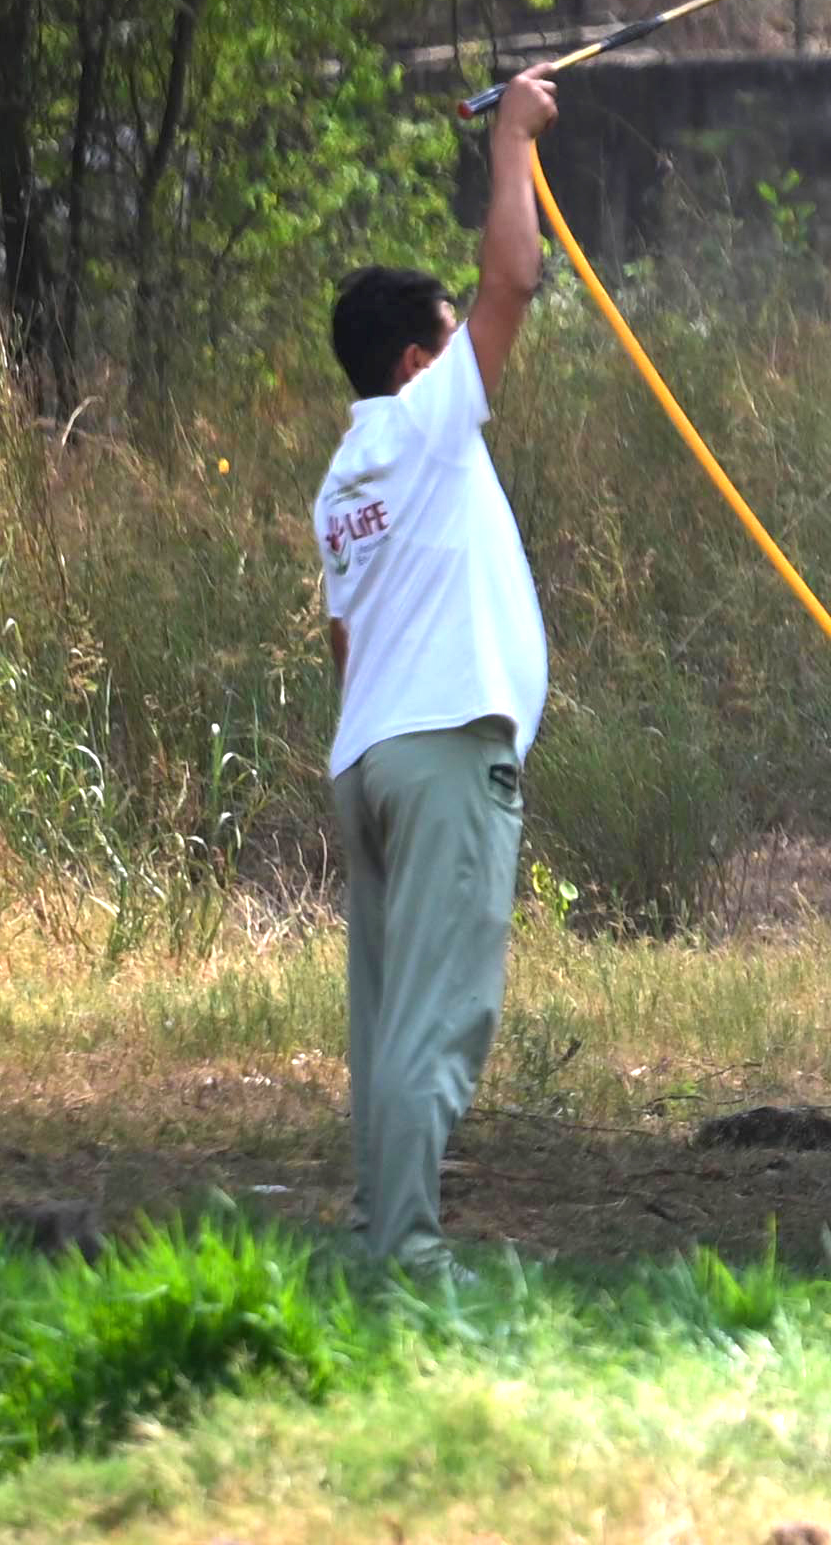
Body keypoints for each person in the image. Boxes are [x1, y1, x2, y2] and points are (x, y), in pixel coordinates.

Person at [313, 63, 561, 1275]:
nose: (475, 350)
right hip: (447, 749)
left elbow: (344, 642)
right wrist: (511, 135)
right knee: (439, 1018)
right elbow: (514, 274)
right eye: (453, 341)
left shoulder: (342, 478)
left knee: (382, 1024)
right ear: (418, 360)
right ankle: (408, 1260)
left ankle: (378, 1231)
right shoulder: (426, 422)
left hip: (365, 762)